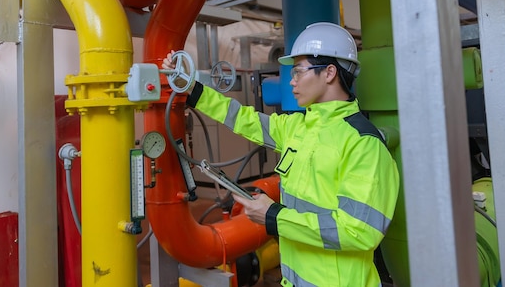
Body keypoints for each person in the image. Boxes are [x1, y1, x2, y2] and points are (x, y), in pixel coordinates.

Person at [163, 22, 399, 287]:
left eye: (299, 71)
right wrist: (191, 88)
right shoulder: (297, 127)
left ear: (330, 72)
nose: (292, 80)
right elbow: (242, 119)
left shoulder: (363, 144)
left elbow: (359, 231)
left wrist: (273, 216)